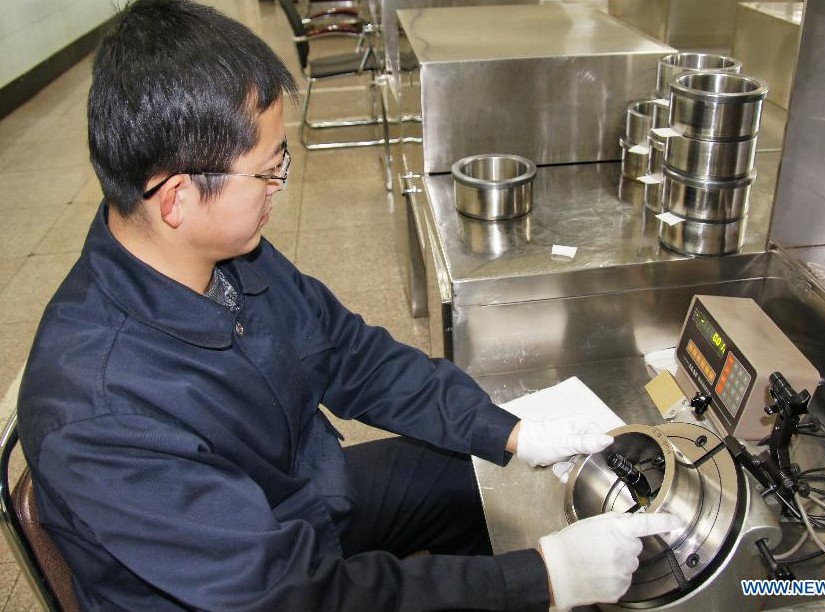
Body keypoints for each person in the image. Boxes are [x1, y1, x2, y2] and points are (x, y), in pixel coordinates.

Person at [16, 1, 681, 609]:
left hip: (299, 503)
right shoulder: (99, 415)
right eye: (269, 169)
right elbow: (294, 597)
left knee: (466, 473)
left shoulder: (223, 254)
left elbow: (349, 354)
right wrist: (542, 577)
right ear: (178, 198)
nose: (280, 184)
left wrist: (508, 429)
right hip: (249, 587)